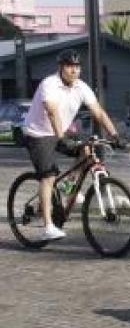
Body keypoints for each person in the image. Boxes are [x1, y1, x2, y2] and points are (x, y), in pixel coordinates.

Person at [22, 49, 120, 241]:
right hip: (38, 133)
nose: (74, 70)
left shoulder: (81, 87)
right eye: (69, 66)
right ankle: (48, 227)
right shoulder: (49, 84)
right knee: (48, 176)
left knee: (86, 149)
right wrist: (61, 137)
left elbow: (98, 112)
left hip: (60, 131)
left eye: (77, 67)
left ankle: (68, 187)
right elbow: (52, 112)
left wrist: (114, 134)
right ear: (61, 68)